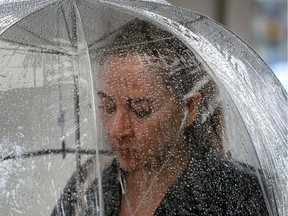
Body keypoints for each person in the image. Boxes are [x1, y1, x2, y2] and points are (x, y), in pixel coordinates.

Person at [52, 19, 269, 216]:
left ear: (190, 108)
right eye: (108, 107)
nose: (118, 130)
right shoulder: (89, 181)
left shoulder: (239, 193)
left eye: (141, 109)